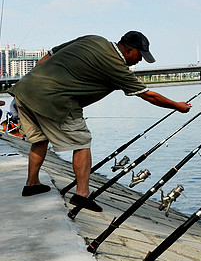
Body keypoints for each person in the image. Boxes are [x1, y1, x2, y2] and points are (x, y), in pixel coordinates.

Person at [11, 31, 191, 212]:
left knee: (40, 139)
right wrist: (177, 106)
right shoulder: (116, 66)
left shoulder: (93, 39)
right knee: (82, 142)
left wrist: (35, 80)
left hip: (26, 90)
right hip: (55, 99)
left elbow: (51, 53)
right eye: (140, 56)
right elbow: (148, 95)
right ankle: (82, 194)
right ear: (129, 49)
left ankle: (32, 184)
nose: (140, 61)